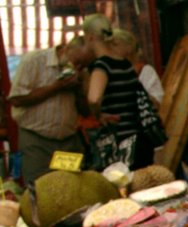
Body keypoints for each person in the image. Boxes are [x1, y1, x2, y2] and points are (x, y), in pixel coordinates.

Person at [8, 36, 93, 185]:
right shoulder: (33, 61)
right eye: (77, 61)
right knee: (39, 188)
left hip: (67, 142)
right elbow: (16, 99)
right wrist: (57, 86)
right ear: (66, 48)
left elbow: (85, 112)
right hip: (37, 142)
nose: (79, 67)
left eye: (83, 65)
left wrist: (79, 90)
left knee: (71, 187)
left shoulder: (82, 72)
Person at [82, 13, 154, 169]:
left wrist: (98, 115)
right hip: (139, 140)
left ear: (90, 37)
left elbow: (94, 98)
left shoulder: (102, 66)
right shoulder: (125, 64)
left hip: (119, 145)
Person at [111, 29, 164, 107]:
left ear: (128, 49)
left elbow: (157, 104)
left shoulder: (145, 71)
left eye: (115, 45)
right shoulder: (107, 73)